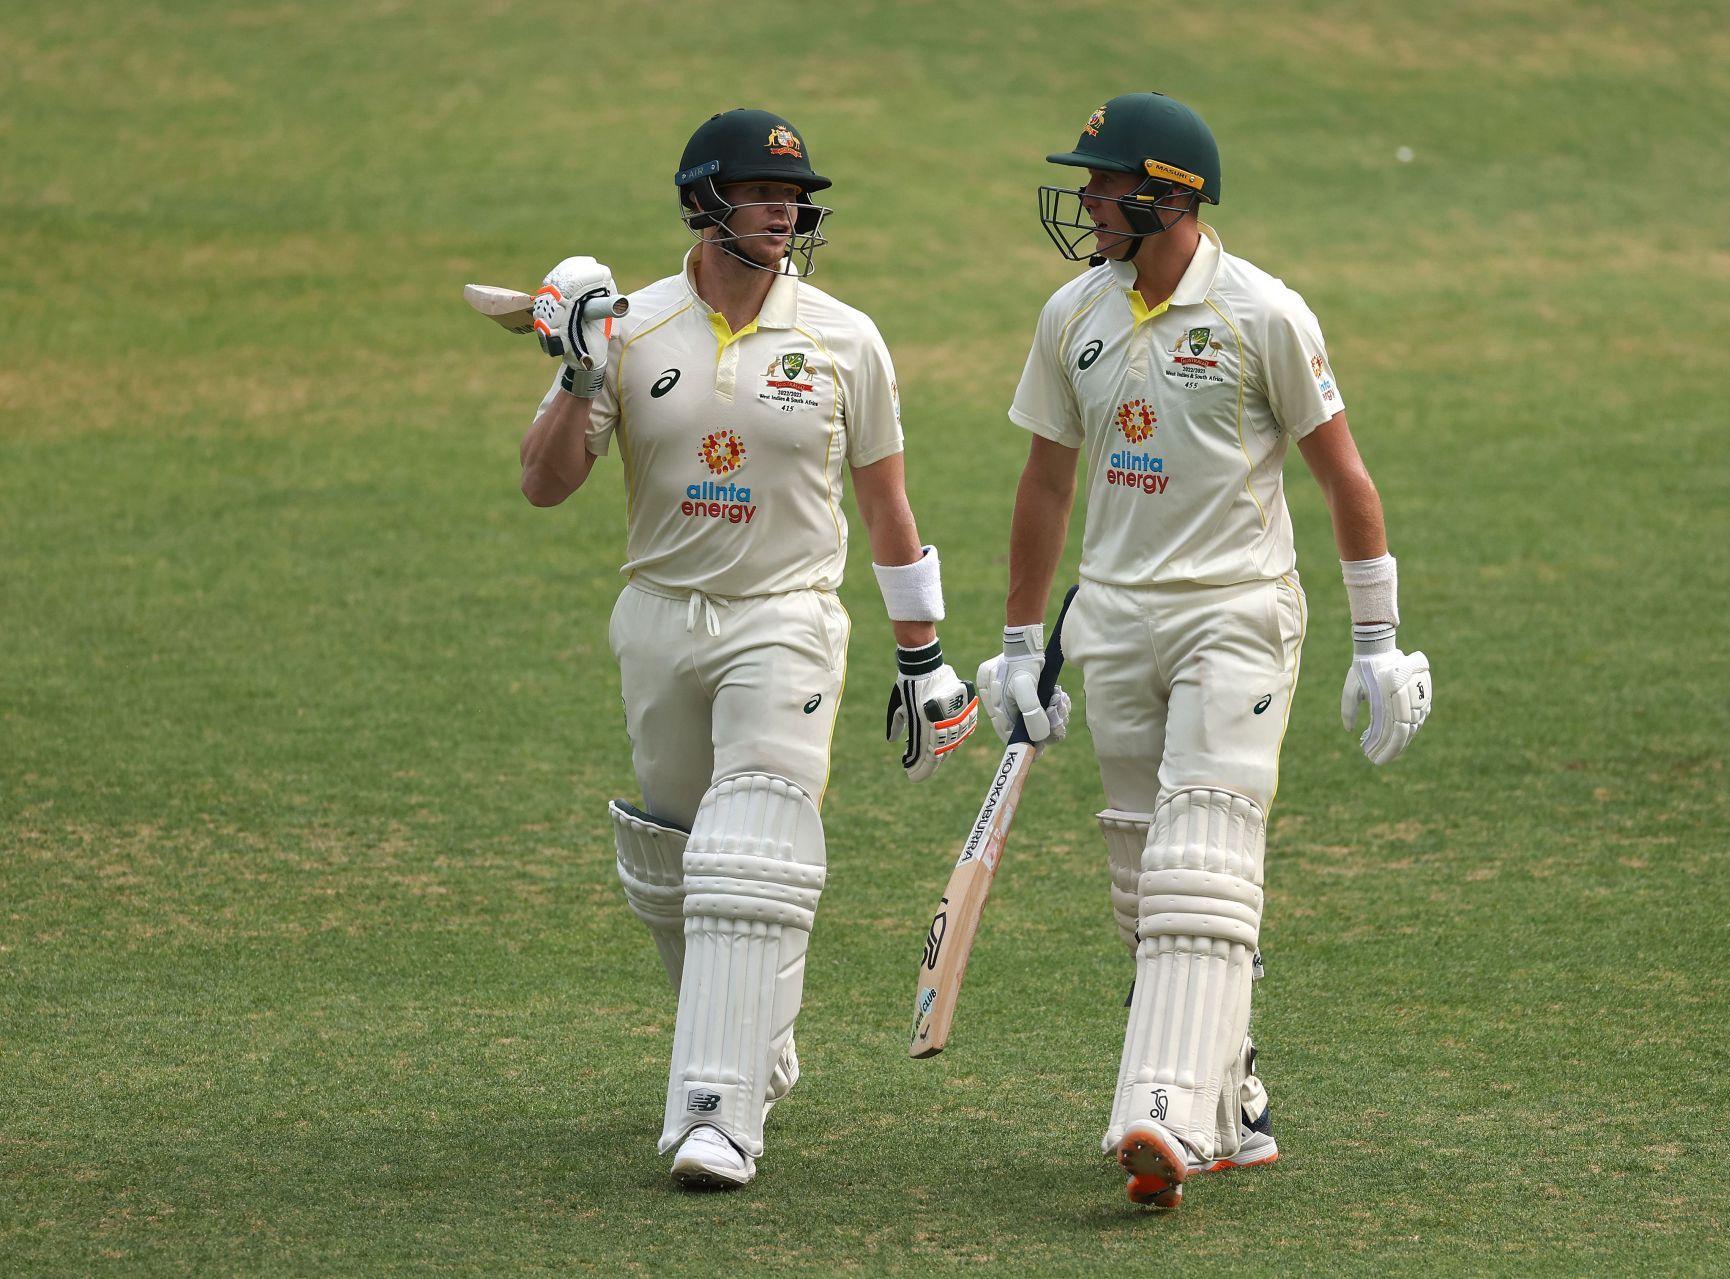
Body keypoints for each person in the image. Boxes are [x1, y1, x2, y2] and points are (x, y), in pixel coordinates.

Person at [976, 92, 1433, 1209]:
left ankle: (1165, 1116)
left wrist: (1379, 640)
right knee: (1143, 876)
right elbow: (1046, 481)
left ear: (1164, 194)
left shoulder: (1264, 314)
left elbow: (1344, 478)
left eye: (1099, 182)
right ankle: (1235, 1101)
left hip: (1237, 611)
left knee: (1201, 861)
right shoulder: (1072, 312)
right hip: (1116, 618)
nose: (1082, 200)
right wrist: (1020, 639)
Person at [516, 108, 978, 1191]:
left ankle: (714, 1116)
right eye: (763, 193)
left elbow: (888, 506)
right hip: (660, 615)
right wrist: (578, 373)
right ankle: (754, 1044)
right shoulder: (626, 327)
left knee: (749, 850)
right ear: (701, 200)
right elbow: (543, 483)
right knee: (676, 863)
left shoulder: (844, 338)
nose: (787, 210)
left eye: (795, 196)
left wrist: (925, 654)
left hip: (786, 617)